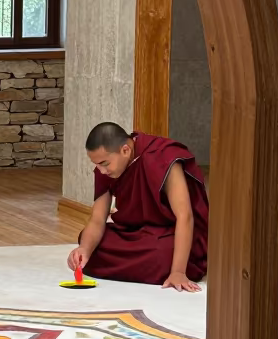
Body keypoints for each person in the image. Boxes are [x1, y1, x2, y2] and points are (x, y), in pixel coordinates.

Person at [67, 122, 208, 289]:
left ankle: (173, 267)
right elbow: (97, 219)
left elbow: (185, 216)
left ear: (125, 150)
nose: (101, 171)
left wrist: (178, 272)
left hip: (168, 233)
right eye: (96, 165)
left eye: (104, 164)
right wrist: (84, 249)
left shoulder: (163, 157)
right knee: (91, 244)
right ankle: (148, 266)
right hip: (135, 232)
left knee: (163, 254)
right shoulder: (106, 169)